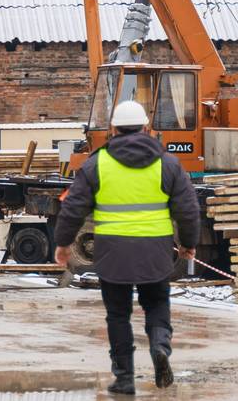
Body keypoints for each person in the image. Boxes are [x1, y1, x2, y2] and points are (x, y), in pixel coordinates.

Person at [53, 100, 199, 395]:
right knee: (156, 304)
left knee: (118, 315)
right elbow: (188, 209)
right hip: (155, 253)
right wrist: (188, 244)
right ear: (147, 127)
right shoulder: (168, 163)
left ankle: (124, 377)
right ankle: (159, 346)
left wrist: (64, 244)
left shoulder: (97, 163)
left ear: (113, 129)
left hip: (112, 254)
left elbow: (73, 208)